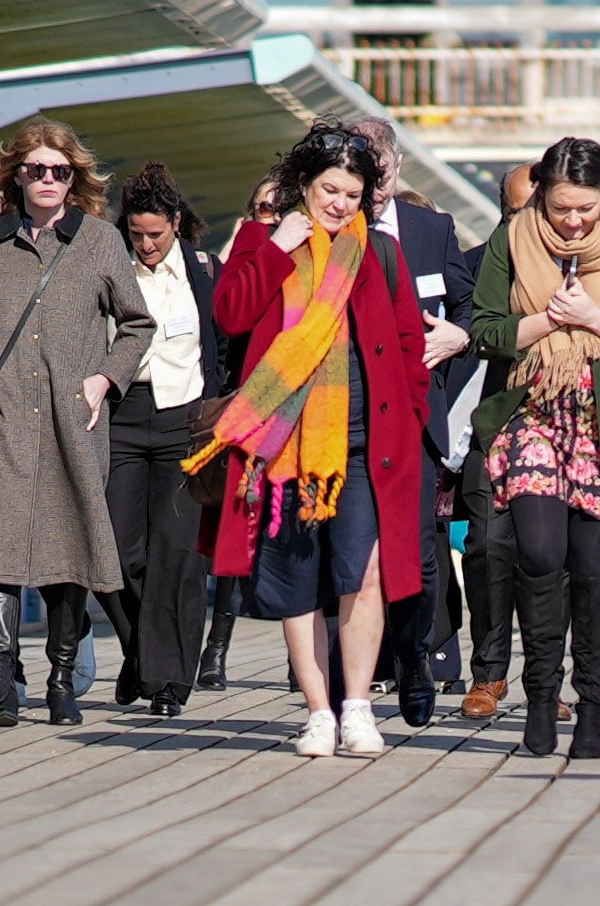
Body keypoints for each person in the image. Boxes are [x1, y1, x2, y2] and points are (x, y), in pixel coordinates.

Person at [199, 125, 433, 758]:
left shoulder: (379, 254)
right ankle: (318, 711)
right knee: (297, 577)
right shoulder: (265, 240)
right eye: (329, 189)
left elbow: (409, 344)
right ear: (304, 185)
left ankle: (358, 705)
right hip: (286, 443)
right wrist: (276, 246)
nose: (339, 203)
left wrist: (410, 417)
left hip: (366, 441)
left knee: (365, 569)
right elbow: (231, 315)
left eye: (352, 194)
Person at [0, 118, 152, 726]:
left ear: (74, 177)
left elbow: (136, 324)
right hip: (2, 421)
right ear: (16, 175)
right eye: (36, 169)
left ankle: (61, 680)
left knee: (67, 549)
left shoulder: (99, 240)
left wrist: (104, 378)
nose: (47, 180)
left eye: (60, 171)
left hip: (77, 424)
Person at [468, 135, 600, 758]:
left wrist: (590, 318)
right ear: (541, 198)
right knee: (539, 552)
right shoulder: (511, 238)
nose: (573, 220)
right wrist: (546, 322)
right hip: (531, 413)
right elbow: (484, 330)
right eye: (561, 207)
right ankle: (538, 692)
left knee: (589, 570)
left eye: (584, 207)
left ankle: (589, 705)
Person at [102, 162, 223, 715]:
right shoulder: (109, 268)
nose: (146, 244)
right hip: (122, 416)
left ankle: (171, 680)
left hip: (185, 421)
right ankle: (139, 655)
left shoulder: (204, 270)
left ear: (176, 223)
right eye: (136, 234)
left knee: (178, 556)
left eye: (156, 233)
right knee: (117, 552)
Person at [365, 143, 478, 726]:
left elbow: (469, 307)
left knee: (418, 549)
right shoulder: (329, 224)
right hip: (351, 412)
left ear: (399, 165)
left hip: (415, 412)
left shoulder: (430, 228)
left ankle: (414, 657)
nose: (376, 180)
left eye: (384, 168)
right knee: (354, 552)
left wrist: (458, 335)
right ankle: (352, 679)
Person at [192, 171, 285, 695]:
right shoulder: (243, 261)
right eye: (261, 209)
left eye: (277, 209)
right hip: (246, 410)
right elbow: (228, 327)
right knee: (236, 531)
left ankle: (301, 661)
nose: (269, 218)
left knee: (297, 531)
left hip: (298, 410)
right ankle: (216, 650)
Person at [451, 155, 534, 720]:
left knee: (552, 557)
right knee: (484, 546)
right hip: (487, 426)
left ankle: (549, 680)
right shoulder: (472, 267)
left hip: (559, 429)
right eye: (514, 212)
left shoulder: (581, 269)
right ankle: (488, 674)